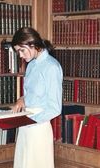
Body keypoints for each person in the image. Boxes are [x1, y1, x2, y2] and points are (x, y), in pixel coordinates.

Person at [11, 27, 63, 168]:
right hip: (25, 125)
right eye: (18, 52)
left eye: (21, 50)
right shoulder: (31, 65)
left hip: (39, 128)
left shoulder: (52, 67)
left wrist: (31, 120)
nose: (20, 55)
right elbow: (32, 94)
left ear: (32, 44)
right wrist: (22, 99)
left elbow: (55, 108)